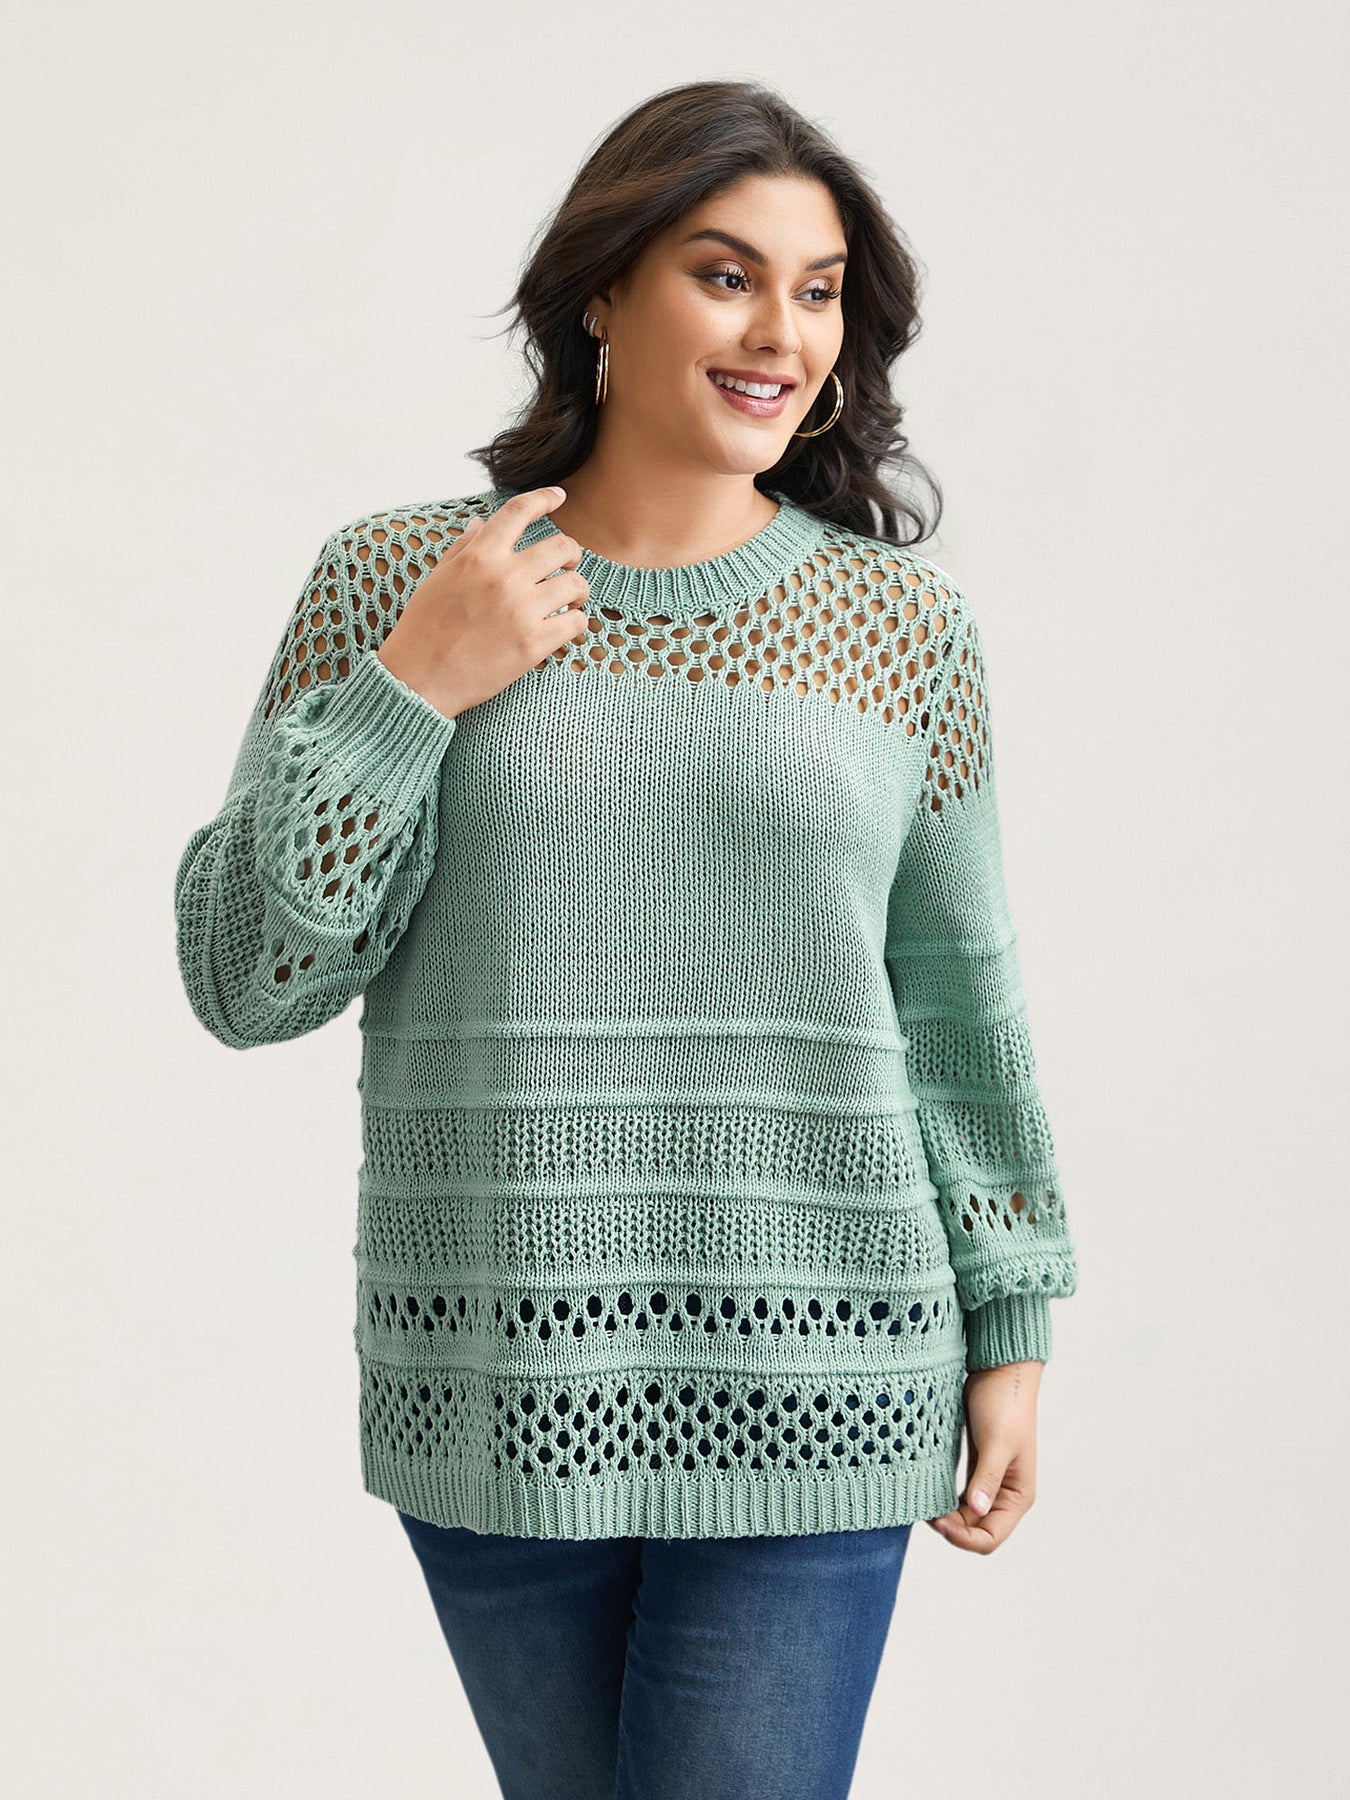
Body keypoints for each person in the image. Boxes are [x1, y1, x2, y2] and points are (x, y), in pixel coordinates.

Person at [173, 78, 1079, 1800]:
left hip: (826, 1360)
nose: (780, 332)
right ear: (602, 290)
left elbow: (958, 1001)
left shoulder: (903, 630)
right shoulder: (398, 583)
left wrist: (1013, 1322)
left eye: (818, 291)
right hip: (496, 1363)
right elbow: (245, 979)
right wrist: (412, 689)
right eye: (725, 275)